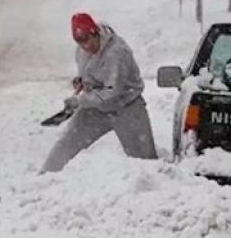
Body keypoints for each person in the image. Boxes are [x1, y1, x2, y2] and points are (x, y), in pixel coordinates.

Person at [41, 12, 157, 173]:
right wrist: (82, 80)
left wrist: (79, 101)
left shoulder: (116, 52)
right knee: (66, 145)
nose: (86, 46)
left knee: (147, 164)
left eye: (88, 40)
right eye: (80, 42)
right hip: (96, 109)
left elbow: (112, 92)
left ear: (95, 33)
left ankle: (153, 191)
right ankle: (43, 180)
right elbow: (89, 73)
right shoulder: (81, 51)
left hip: (127, 109)